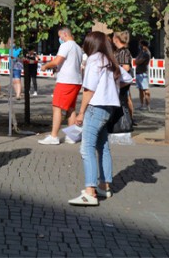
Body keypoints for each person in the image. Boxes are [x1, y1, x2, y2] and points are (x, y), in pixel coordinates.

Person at [69, 31, 133, 206]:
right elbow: (128, 78)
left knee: (86, 147)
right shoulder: (109, 60)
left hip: (95, 107)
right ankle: (104, 185)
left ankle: (90, 191)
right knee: (102, 146)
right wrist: (112, 87)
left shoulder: (94, 60)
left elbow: (88, 89)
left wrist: (81, 112)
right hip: (109, 108)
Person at [39, 27, 83, 145]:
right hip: (76, 80)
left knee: (57, 107)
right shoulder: (78, 48)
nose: (60, 38)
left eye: (60, 36)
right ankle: (72, 136)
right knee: (71, 108)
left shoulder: (65, 46)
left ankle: (54, 136)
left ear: (64, 34)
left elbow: (57, 61)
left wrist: (45, 66)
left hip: (65, 81)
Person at [112, 31, 136, 123]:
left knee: (124, 100)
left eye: (113, 37)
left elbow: (126, 68)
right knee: (126, 99)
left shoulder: (123, 52)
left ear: (116, 39)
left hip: (123, 80)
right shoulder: (119, 51)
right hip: (121, 80)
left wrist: (115, 72)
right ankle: (128, 119)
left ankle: (127, 120)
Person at [134, 40, 152, 111]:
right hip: (138, 72)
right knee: (140, 90)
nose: (140, 46)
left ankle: (148, 105)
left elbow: (138, 61)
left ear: (144, 45)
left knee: (145, 89)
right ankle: (142, 104)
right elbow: (136, 60)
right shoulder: (142, 52)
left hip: (143, 73)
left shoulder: (146, 54)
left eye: (141, 45)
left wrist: (137, 61)